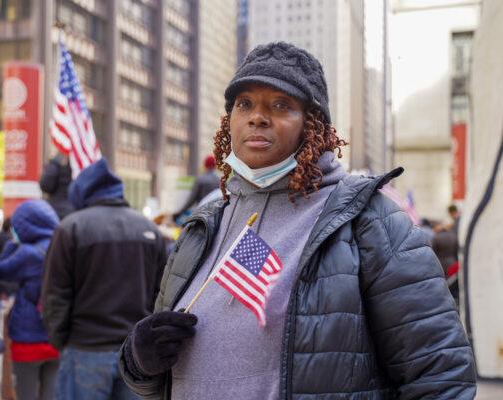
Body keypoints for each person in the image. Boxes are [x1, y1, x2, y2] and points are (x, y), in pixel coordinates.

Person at [118, 42, 476, 399]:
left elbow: (440, 375)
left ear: (313, 125)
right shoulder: (203, 226)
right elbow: (153, 382)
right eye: (245, 104)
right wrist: (138, 361)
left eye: (280, 105)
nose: (258, 117)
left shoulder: (370, 220)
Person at [41, 158, 167, 399]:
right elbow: (160, 292)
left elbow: (55, 295)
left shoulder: (71, 228)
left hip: (86, 348)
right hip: (134, 351)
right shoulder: (148, 228)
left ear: (81, 192)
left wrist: (60, 341)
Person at [0, 200, 60, 400]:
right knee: (51, 394)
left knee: (26, 394)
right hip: (57, 335)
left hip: (28, 338)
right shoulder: (64, 247)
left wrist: (12, 243)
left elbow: (0, 270)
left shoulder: (27, 253)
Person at [172, 155, 220, 220]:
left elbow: (191, 201)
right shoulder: (220, 180)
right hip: (217, 216)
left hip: (202, 215)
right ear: (215, 166)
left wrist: (178, 213)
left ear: (205, 166)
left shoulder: (200, 179)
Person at [39, 153, 74, 219]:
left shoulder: (57, 161)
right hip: (75, 210)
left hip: (56, 209)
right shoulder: (82, 157)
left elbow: (45, 185)